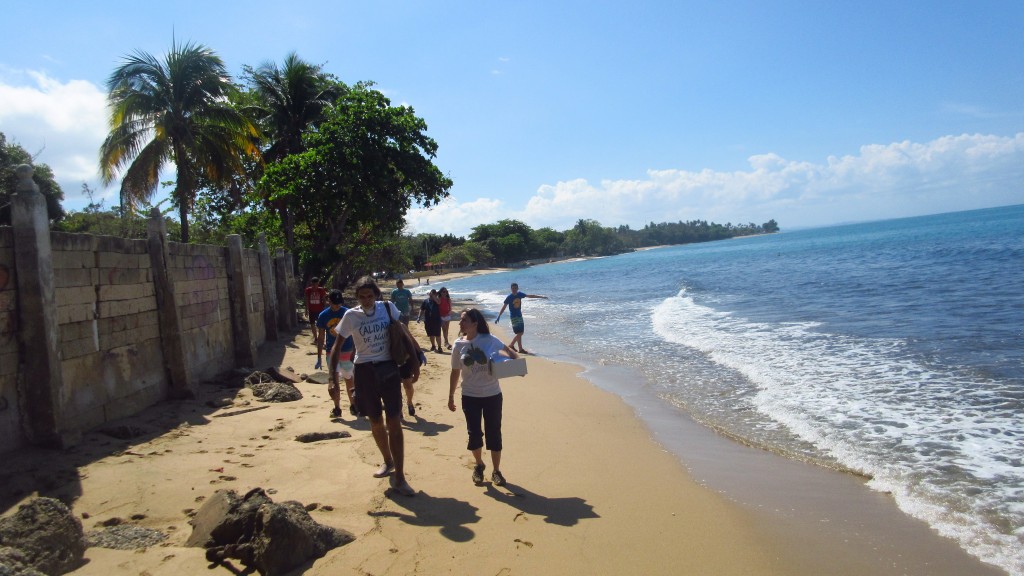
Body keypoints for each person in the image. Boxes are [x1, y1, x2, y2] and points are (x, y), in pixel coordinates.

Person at [330, 276, 419, 496]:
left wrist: (415, 361)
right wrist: (332, 378)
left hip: (388, 368)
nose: (367, 300)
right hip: (364, 371)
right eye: (362, 297)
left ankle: (399, 476)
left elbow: (404, 333)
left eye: (370, 295)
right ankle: (387, 461)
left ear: (377, 294)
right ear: (357, 297)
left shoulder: (387, 308)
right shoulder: (351, 316)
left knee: (394, 420)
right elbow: (336, 346)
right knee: (376, 421)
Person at [448, 308, 518, 486]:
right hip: (469, 395)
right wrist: (450, 396)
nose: (460, 323)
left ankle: (496, 471)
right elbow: (455, 371)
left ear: (474, 323)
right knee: (474, 434)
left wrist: (511, 366)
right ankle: (479, 465)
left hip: (492, 394)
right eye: (461, 320)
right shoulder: (458, 345)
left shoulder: (489, 340)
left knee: (494, 433)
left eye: (464, 320)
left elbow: (511, 354)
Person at [316, 289, 356, 418]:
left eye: (339, 303)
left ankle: (353, 405)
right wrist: (319, 357)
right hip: (331, 353)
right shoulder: (323, 316)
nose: (337, 306)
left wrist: (356, 350)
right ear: (329, 301)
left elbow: (355, 333)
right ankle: (337, 407)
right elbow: (321, 337)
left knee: (349, 379)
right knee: (334, 381)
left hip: (347, 351)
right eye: (334, 303)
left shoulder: (347, 313)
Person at [495, 282, 548, 354]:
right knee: (520, 333)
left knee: (520, 332)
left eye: (515, 288)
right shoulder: (509, 297)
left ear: (517, 288)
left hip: (519, 316)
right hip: (514, 317)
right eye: (513, 288)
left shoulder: (520, 294)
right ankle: (512, 345)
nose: (514, 290)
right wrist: (499, 316)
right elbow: (504, 307)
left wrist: (541, 297)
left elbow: (529, 296)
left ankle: (519, 348)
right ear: (511, 289)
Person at [304, 277, 328, 345]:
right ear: (311, 283)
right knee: (312, 324)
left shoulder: (321, 290)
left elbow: (324, 299)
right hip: (311, 310)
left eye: (316, 284)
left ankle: (321, 338)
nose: (314, 286)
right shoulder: (308, 290)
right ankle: (316, 338)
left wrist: (325, 309)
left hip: (320, 310)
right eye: (313, 284)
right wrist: (306, 310)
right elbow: (307, 300)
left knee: (320, 325)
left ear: (318, 284)